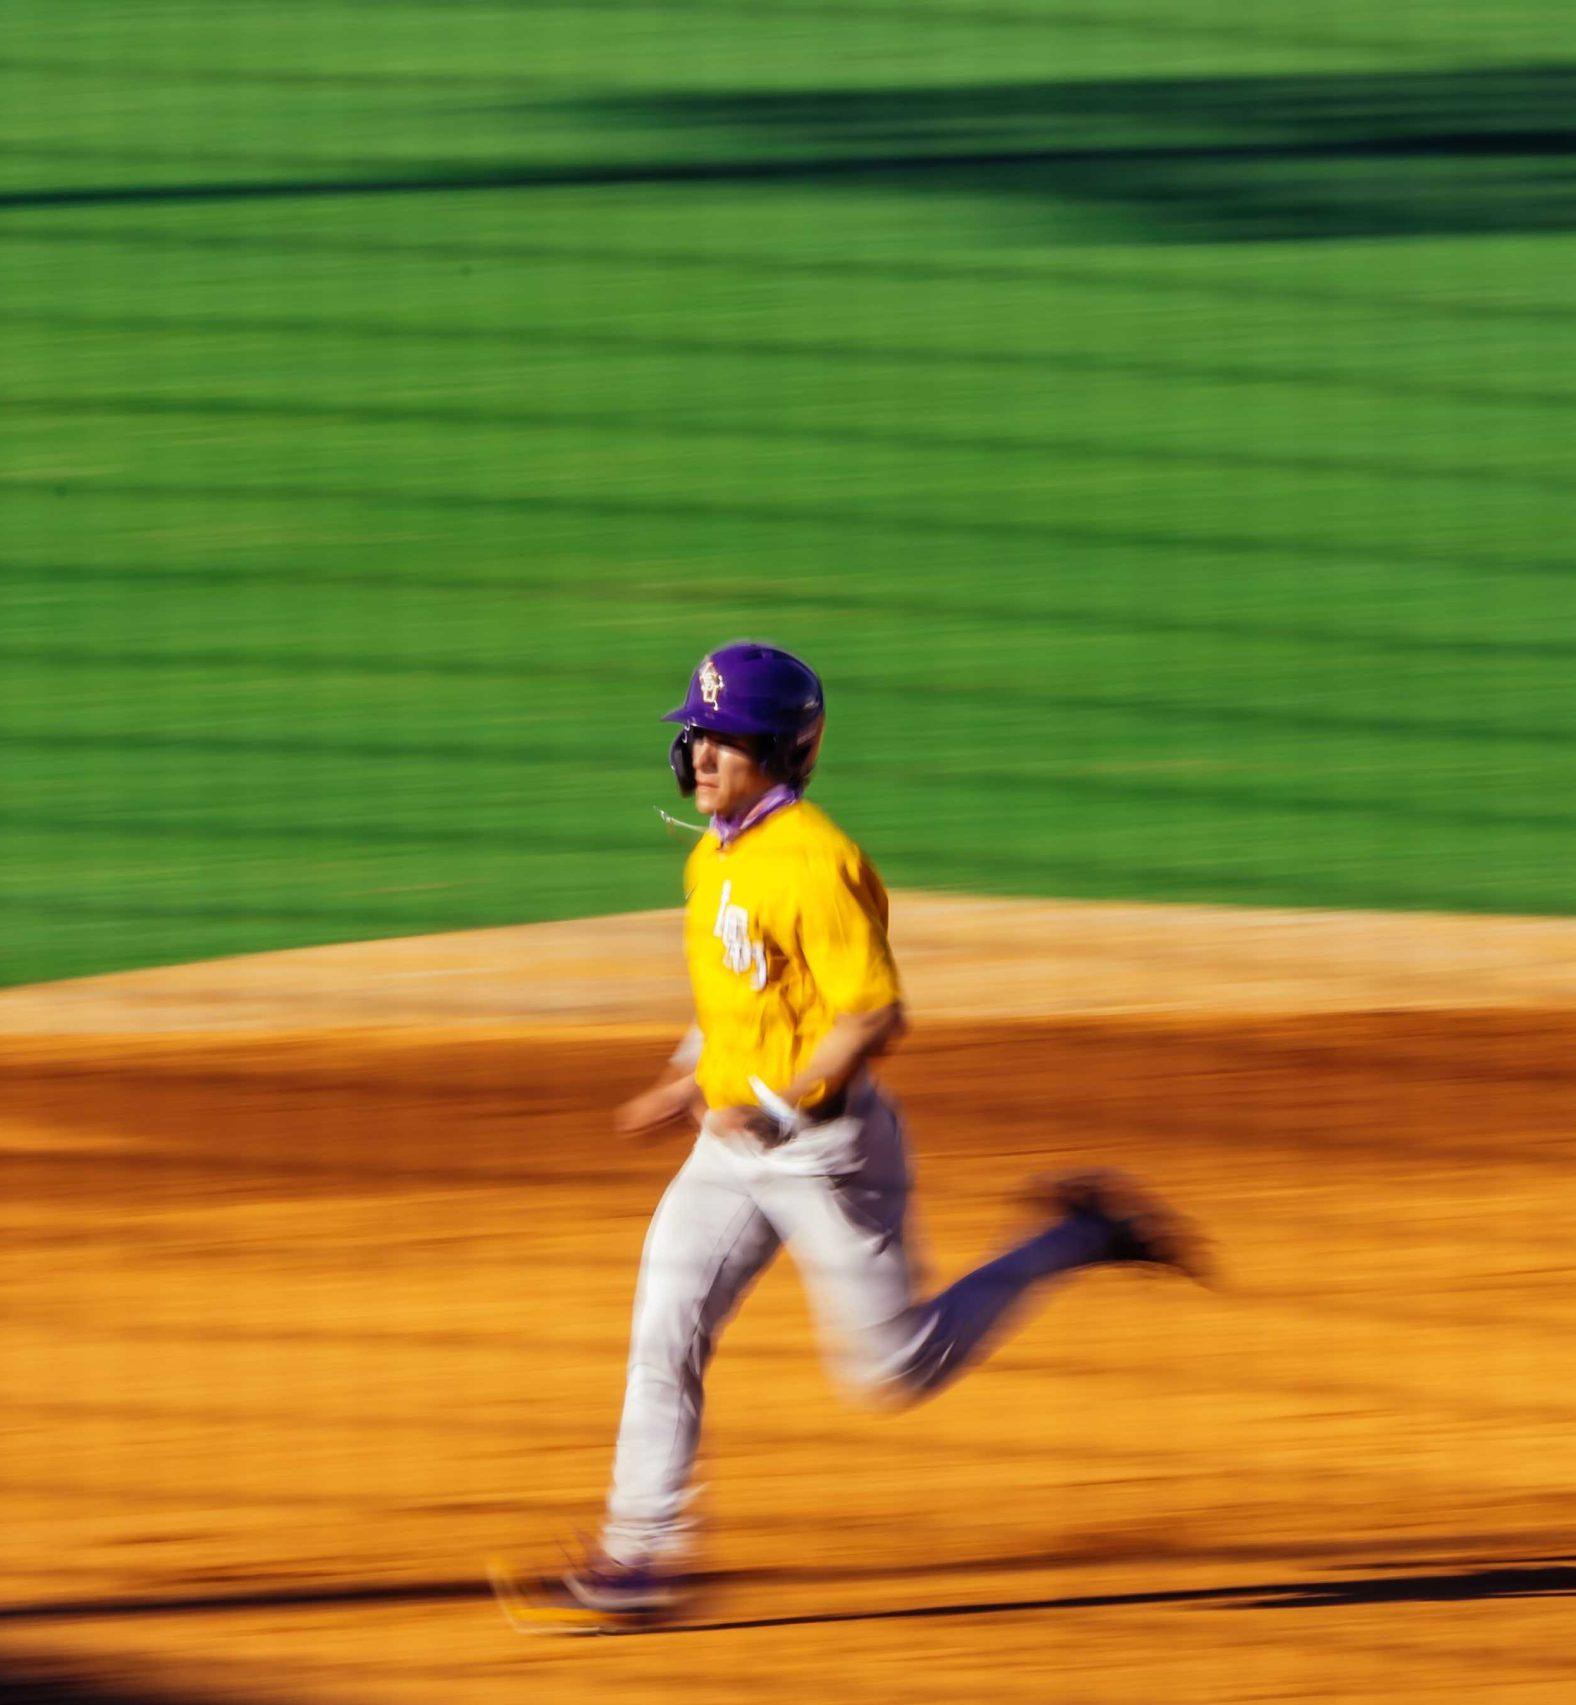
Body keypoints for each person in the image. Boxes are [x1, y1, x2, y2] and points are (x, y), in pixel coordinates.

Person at [491, 642, 1208, 1635]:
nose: (698, 754)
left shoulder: (817, 862)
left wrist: (778, 1105)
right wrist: (683, 1076)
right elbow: (743, 994)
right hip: (728, 1148)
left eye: (724, 737)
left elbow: (872, 1015)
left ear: (781, 749)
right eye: (694, 733)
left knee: (891, 1370)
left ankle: (1080, 1235)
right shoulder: (714, 853)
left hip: (826, 1153)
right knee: (664, 1327)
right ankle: (640, 1553)